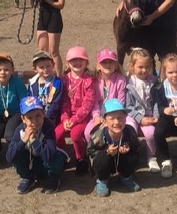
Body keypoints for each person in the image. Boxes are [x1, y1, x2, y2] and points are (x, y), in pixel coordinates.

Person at [6, 95, 66, 194]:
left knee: (58, 157)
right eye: (30, 117)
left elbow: (50, 155)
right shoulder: (20, 130)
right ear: (23, 119)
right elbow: (9, 157)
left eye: (38, 115)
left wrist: (34, 141)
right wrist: (23, 140)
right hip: (32, 160)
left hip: (44, 160)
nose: (34, 121)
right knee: (16, 153)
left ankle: (53, 178)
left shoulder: (48, 127)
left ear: (44, 113)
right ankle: (28, 178)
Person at [87, 98, 142, 197]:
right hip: (106, 163)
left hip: (121, 161)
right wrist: (106, 152)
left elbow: (137, 148)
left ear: (126, 118)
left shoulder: (130, 132)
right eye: (111, 118)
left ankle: (126, 177)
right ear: (104, 121)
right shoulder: (97, 134)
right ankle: (102, 180)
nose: (116, 122)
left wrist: (129, 150)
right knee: (100, 160)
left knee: (133, 156)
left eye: (120, 117)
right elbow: (90, 152)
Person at [0, 53, 29, 167]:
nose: (2, 72)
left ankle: (17, 152)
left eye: (6, 69)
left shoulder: (17, 83)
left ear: (13, 70)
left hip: (16, 114)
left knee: (9, 135)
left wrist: (26, 119)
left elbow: (25, 102)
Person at [55, 46, 95, 176]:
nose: (77, 63)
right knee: (57, 134)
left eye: (81, 60)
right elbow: (64, 101)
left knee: (75, 135)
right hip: (67, 117)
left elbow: (87, 104)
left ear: (86, 63)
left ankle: (81, 158)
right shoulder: (64, 80)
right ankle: (62, 156)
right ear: (68, 63)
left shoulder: (88, 81)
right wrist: (65, 118)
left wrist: (74, 120)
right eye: (73, 60)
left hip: (83, 118)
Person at [124, 47, 161, 173]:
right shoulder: (129, 84)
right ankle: (130, 155)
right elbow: (128, 106)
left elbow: (156, 101)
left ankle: (152, 157)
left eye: (147, 66)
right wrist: (140, 118)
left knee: (150, 134)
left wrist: (156, 115)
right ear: (132, 66)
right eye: (140, 67)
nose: (144, 70)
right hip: (133, 115)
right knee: (129, 130)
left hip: (149, 114)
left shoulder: (154, 82)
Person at [84, 48, 127, 142]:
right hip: (98, 115)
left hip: (115, 114)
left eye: (110, 62)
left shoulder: (120, 80)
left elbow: (121, 101)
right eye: (104, 62)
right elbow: (94, 102)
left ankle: (121, 149)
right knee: (88, 132)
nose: (107, 64)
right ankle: (95, 153)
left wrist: (109, 117)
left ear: (115, 65)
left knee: (127, 127)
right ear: (98, 66)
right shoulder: (94, 81)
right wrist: (97, 117)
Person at [36, 0, 66, 76]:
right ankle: (42, 77)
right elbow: (33, 2)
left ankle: (59, 78)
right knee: (42, 51)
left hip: (54, 18)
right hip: (42, 18)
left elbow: (60, 4)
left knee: (53, 52)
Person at [27, 50, 65, 125]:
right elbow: (30, 101)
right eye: (41, 67)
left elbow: (56, 104)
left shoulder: (57, 83)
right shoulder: (32, 84)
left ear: (53, 65)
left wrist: (45, 118)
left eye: (48, 66)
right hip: (35, 117)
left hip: (52, 117)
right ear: (35, 69)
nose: (45, 69)